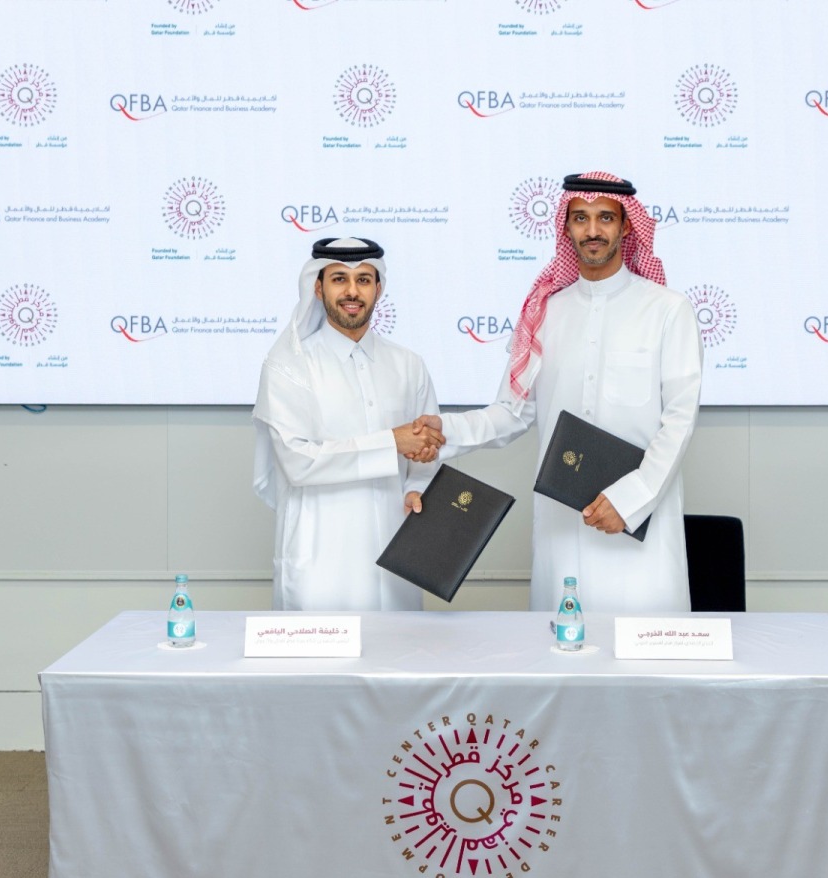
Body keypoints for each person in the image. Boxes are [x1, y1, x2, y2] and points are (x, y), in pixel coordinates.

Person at [413, 172, 702, 613]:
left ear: (627, 226)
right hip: (562, 529)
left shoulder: (668, 310)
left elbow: (679, 420)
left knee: (644, 668)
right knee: (562, 660)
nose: (592, 230)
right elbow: (512, 412)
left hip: (638, 526)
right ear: (564, 228)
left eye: (605, 218)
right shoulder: (546, 311)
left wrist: (630, 499)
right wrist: (443, 430)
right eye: (580, 218)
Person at [252, 237, 445, 611]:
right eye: (339, 278)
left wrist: (417, 488)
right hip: (320, 563)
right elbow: (297, 461)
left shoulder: (409, 365)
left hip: (396, 557)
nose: (352, 291)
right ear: (317, 286)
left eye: (364, 280)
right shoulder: (288, 367)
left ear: (379, 288)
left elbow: (427, 457)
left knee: (398, 660)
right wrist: (392, 442)